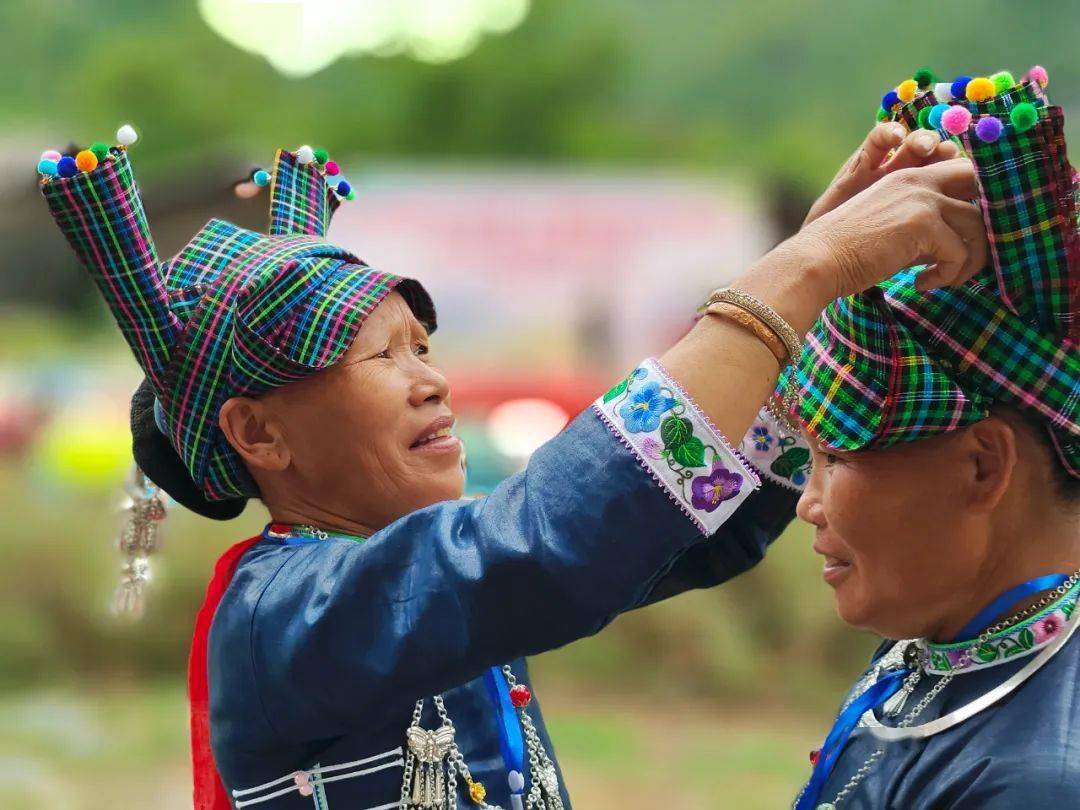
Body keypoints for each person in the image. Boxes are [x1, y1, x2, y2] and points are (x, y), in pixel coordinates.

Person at [37, 116, 980, 809]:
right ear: (260, 436)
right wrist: (801, 270)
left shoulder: (409, 562)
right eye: (384, 357)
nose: (432, 383)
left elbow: (679, 529)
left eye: (424, 348)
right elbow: (551, 540)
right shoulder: (283, 614)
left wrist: (816, 271)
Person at [789, 66, 1079, 809]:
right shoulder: (935, 659)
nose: (806, 505)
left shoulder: (1037, 782)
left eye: (838, 457)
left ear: (982, 466)